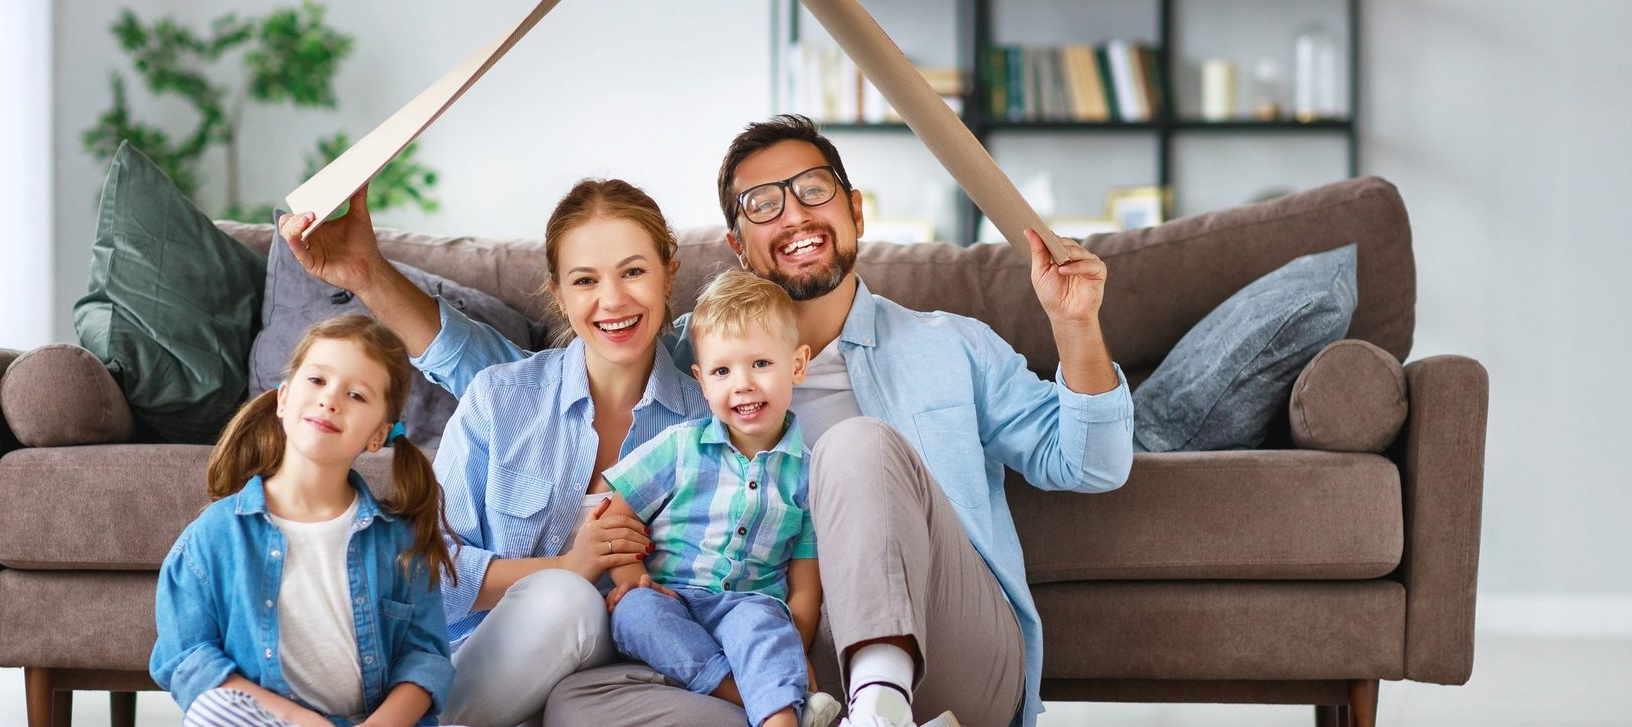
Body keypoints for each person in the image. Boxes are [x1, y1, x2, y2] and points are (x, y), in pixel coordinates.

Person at [280, 114, 1134, 727]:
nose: (793, 215)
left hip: (945, 653)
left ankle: (880, 699)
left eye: (812, 191)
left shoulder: (951, 345)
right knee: (582, 699)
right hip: (766, 662)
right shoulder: (697, 360)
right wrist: (367, 272)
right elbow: (526, 386)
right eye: (763, 205)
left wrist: (1075, 326)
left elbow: (1087, 462)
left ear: (855, 209)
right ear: (734, 247)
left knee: (855, 448)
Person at [280, 178, 712, 726]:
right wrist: (566, 566)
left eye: (633, 271)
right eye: (585, 280)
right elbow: (435, 570)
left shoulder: (708, 420)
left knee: (573, 605)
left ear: (669, 272)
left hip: (619, 671)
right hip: (477, 661)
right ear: (558, 294)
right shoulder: (501, 396)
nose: (613, 300)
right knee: (563, 595)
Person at [150, 315, 455, 727]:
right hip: (270, 720)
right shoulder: (215, 536)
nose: (330, 400)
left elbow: (426, 659)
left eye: (356, 395)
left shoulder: (399, 539)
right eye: (317, 381)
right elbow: (187, 659)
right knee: (209, 710)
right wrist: (300, 720)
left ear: (377, 437)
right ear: (283, 399)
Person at [599, 271, 843, 727]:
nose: (743, 384)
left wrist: (795, 647)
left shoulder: (811, 475)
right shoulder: (679, 447)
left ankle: (778, 716)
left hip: (749, 606)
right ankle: (755, 695)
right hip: (673, 597)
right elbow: (616, 510)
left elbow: (806, 585)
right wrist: (634, 577)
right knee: (634, 612)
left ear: (798, 363)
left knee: (766, 628)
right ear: (702, 381)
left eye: (762, 364)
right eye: (722, 371)